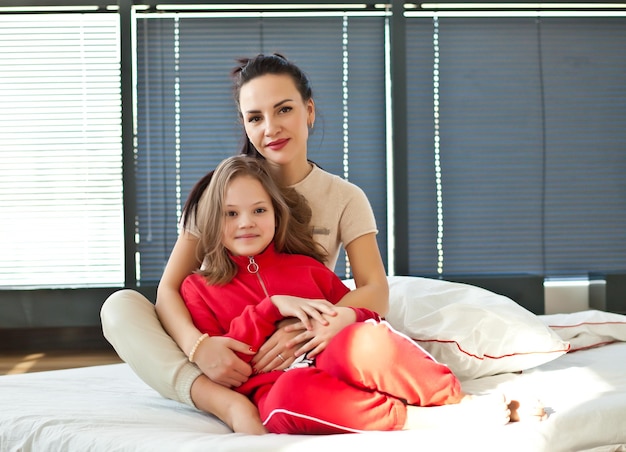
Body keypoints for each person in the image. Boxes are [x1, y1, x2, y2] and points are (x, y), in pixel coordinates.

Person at [100, 53, 390, 434]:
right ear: (245, 124)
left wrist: (303, 329)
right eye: (255, 117)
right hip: (223, 344)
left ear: (309, 111)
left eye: (284, 109)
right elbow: (169, 288)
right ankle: (221, 401)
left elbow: (376, 290)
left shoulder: (345, 197)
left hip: (297, 351)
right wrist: (198, 347)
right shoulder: (220, 193)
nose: (271, 128)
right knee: (119, 307)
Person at [181, 154, 515, 434]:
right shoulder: (198, 289)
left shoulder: (306, 267)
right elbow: (231, 367)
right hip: (277, 388)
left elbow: (369, 317)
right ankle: (423, 420)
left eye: (259, 210)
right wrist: (270, 308)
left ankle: (462, 404)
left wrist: (348, 316)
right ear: (212, 219)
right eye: (231, 213)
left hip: (333, 360)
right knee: (288, 398)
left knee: (367, 341)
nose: (246, 223)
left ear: (276, 213)